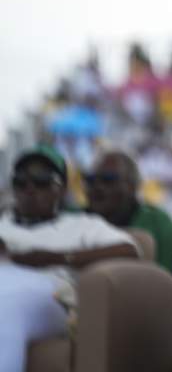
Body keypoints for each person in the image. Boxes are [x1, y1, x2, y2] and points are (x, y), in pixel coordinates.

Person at [0, 145, 137, 372]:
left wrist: (55, 257)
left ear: (62, 189)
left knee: (5, 307)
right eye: (21, 181)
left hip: (50, 295)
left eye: (42, 181)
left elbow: (129, 251)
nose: (30, 188)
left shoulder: (81, 224)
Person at [85, 150, 172, 272]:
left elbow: (169, 279)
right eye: (90, 179)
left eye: (108, 179)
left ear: (132, 186)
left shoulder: (159, 224)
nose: (97, 187)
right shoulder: (72, 219)